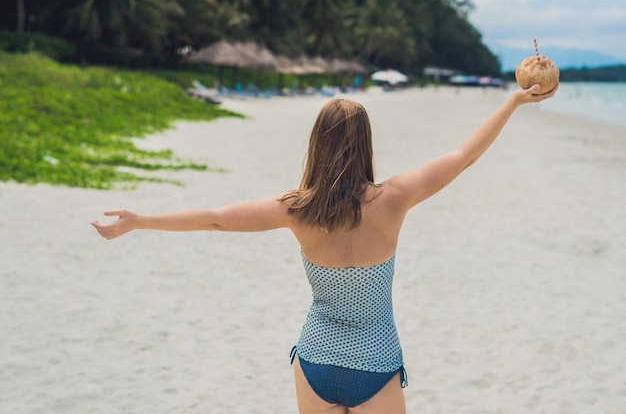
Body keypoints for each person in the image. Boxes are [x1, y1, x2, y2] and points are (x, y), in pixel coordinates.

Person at [91, 83, 558, 414]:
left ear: (318, 145)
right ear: (366, 145)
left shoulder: (297, 210)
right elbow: (465, 156)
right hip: (376, 363)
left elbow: (215, 218)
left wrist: (140, 221)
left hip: (316, 361)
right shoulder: (393, 199)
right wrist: (514, 101)